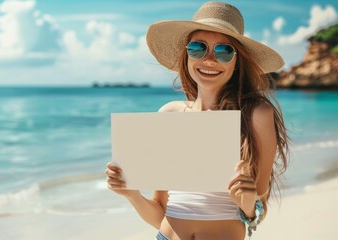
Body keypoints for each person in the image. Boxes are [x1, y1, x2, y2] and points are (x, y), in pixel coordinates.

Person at [105, 2, 289, 240]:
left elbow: (257, 212)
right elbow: (159, 214)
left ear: (237, 61)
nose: (210, 60)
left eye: (224, 51)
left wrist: (247, 202)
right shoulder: (169, 115)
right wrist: (132, 194)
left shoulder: (256, 115)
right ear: (186, 55)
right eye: (197, 48)